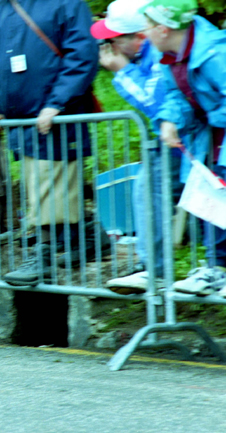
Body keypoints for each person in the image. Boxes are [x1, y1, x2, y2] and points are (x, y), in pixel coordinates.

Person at [0, 0, 99, 286]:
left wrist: (56, 103)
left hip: (56, 116)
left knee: (48, 183)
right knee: (40, 184)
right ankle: (91, 236)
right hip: (21, 121)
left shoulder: (67, 3)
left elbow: (82, 54)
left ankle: (41, 256)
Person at [89, 0, 182, 293]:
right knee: (147, 193)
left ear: (138, 36)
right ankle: (155, 269)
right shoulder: (146, 53)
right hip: (175, 137)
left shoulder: (156, 53)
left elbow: (156, 105)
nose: (108, 46)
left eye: (113, 40)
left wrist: (121, 71)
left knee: (152, 194)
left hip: (183, 137)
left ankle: (156, 271)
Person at [139, 0, 226, 297]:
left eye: (148, 27)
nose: (144, 33)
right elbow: (177, 96)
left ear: (163, 29)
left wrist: (211, 118)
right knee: (211, 197)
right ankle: (216, 270)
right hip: (211, 135)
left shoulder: (215, 52)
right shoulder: (169, 54)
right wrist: (169, 121)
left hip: (219, 130)